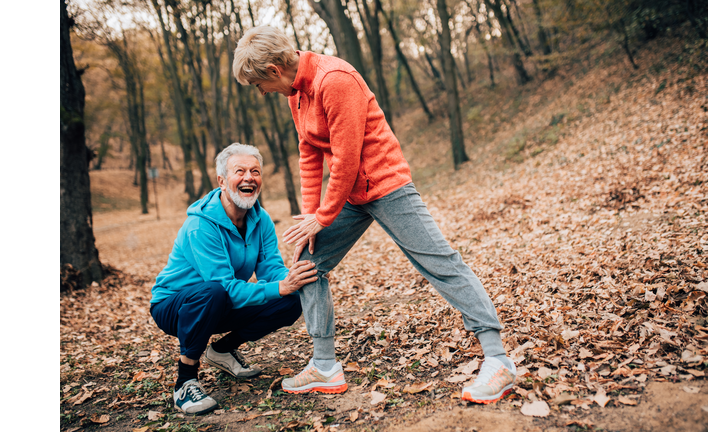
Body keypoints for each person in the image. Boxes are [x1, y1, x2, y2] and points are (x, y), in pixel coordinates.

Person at [233, 26, 516, 404]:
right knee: (306, 262)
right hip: (348, 196)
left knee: (441, 263)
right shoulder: (296, 96)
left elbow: (347, 159)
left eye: (257, 84)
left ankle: (499, 361)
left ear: (272, 69)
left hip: (386, 186)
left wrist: (325, 214)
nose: (261, 92)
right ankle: (325, 365)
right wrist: (309, 218)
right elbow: (309, 152)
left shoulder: (335, 80)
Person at [149, 143, 318, 414]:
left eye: (255, 171)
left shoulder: (260, 219)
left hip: (221, 302)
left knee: (290, 299)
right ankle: (185, 382)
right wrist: (281, 286)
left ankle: (223, 349)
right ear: (222, 181)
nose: (249, 177)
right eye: (239, 171)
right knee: (213, 292)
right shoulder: (200, 225)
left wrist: (293, 279)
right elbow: (225, 286)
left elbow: (270, 269)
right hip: (176, 306)